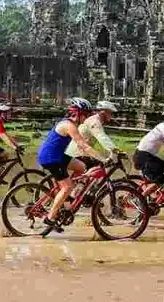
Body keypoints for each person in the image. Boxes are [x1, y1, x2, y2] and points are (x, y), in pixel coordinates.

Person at [36, 97, 105, 233]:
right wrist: (101, 158)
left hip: (59, 155)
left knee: (82, 167)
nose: (87, 118)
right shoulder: (69, 125)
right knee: (67, 186)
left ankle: (68, 196)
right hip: (51, 158)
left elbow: (79, 145)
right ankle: (50, 217)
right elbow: (82, 144)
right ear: (78, 113)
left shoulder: (71, 124)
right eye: (86, 115)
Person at [65, 101, 121, 168]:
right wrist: (114, 149)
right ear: (103, 112)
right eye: (110, 113)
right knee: (99, 167)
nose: (111, 116)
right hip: (78, 153)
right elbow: (101, 137)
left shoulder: (97, 121)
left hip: (82, 152)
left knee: (96, 168)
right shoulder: (94, 122)